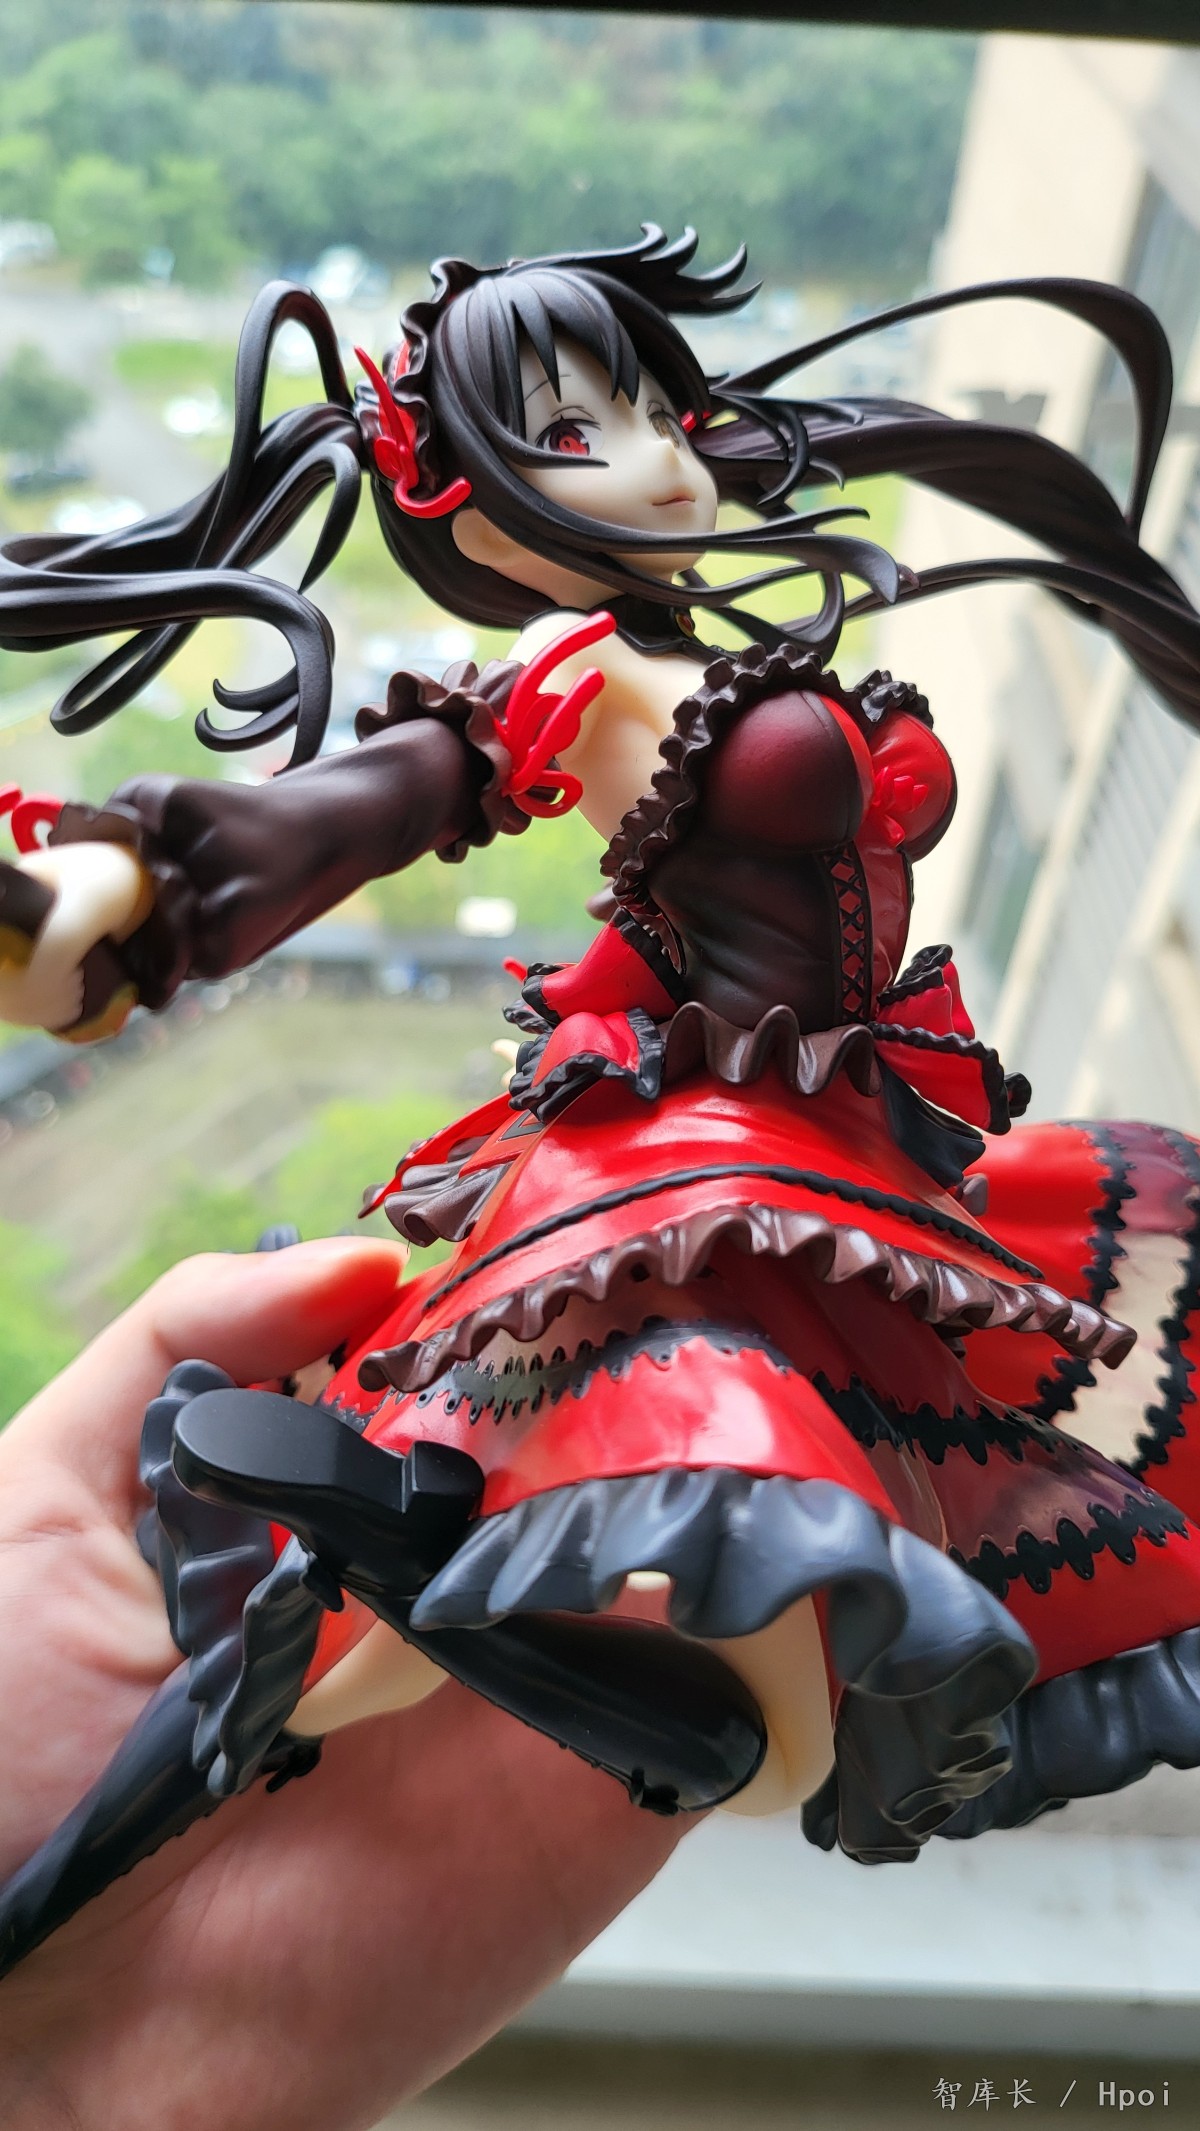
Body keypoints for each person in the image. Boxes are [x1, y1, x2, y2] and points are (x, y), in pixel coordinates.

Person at [3, 228, 1200, 1976]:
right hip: (713, 1149)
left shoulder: (708, 643)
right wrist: (116, 897)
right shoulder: (575, 679)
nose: (657, 459)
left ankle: (386, 1596)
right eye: (575, 434)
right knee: (782, 1701)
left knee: (1090, 1315)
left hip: (850, 1131)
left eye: (653, 408)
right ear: (478, 521)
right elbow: (377, 798)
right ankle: (408, 1590)